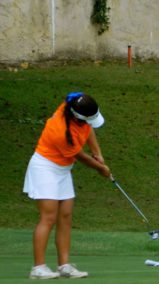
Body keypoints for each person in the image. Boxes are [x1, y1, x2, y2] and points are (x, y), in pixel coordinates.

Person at [23, 92, 111, 279]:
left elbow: (88, 128)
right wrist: (101, 169)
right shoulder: (61, 132)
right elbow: (81, 157)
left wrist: (98, 153)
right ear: (77, 117)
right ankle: (38, 268)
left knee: (66, 216)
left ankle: (64, 266)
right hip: (45, 168)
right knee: (48, 217)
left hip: (62, 170)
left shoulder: (74, 106)